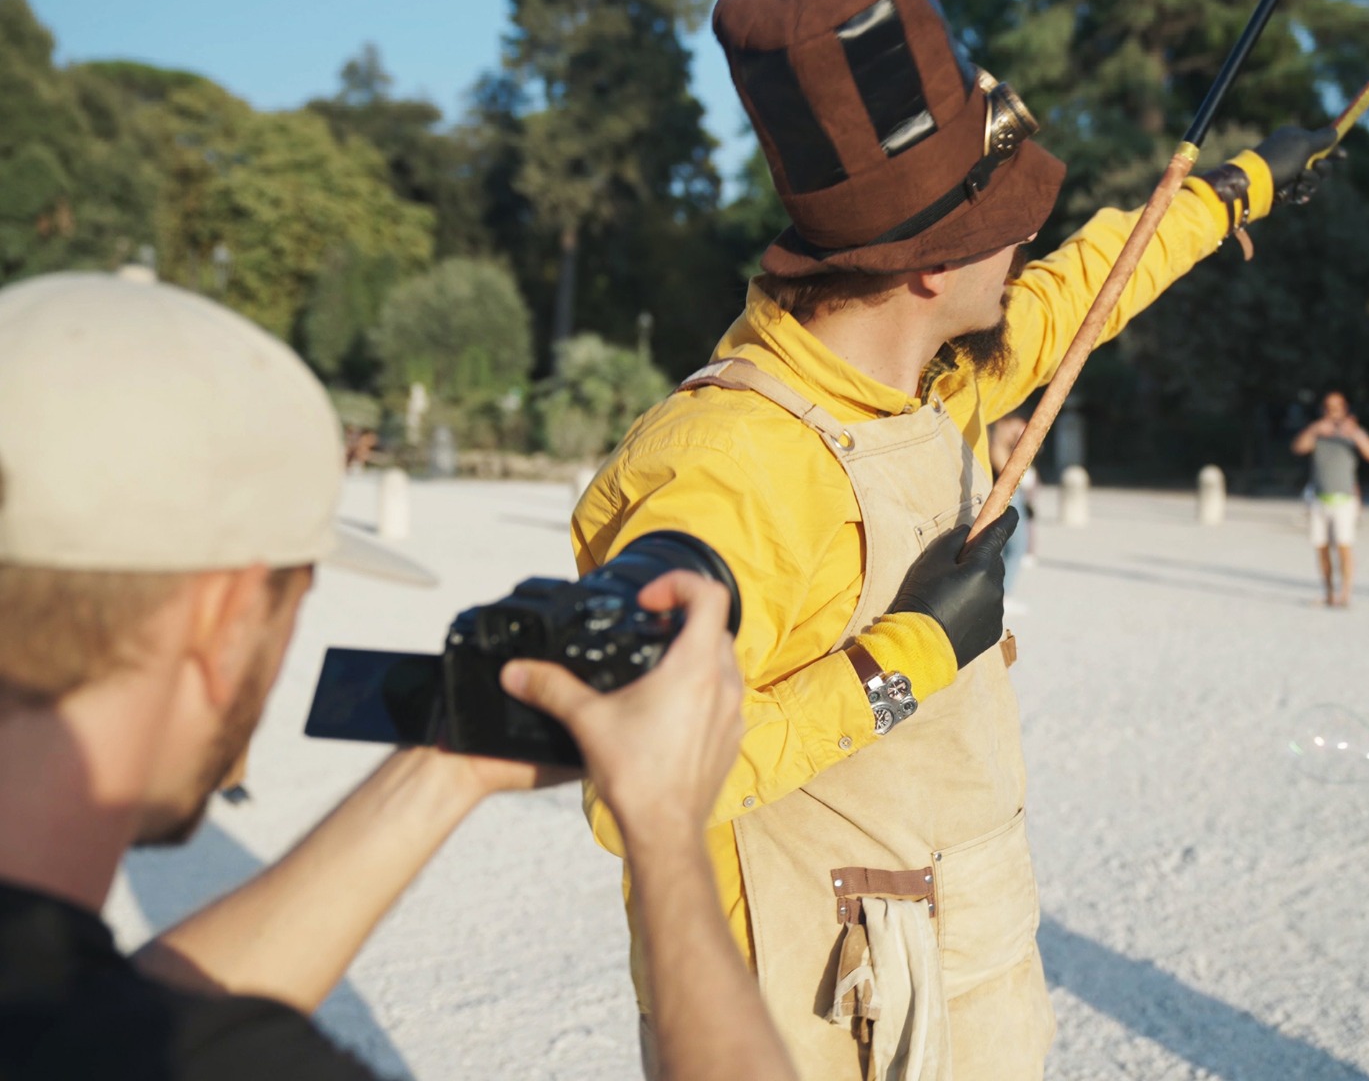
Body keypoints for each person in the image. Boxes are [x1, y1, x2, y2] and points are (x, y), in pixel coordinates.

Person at [568, 0, 1339, 1080]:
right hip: (803, 1022)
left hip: (943, 961)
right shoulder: (730, 465)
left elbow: (1083, 293)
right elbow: (638, 780)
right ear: (930, 266)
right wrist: (905, 659)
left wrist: (1233, 193)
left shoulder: (925, 369)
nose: (1024, 239)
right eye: (1004, 223)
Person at [0, 273, 795, 1081]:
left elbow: (118, 1020)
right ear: (223, 621)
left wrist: (449, 766)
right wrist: (665, 829)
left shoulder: (58, 1013)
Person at [1291, 392, 1369, 608]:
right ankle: (1329, 593)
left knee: (1344, 547)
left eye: (1337, 407)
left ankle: (1345, 594)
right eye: (1328, 407)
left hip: (1345, 499)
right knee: (1321, 547)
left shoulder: (1353, 433)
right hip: (1319, 498)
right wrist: (1314, 429)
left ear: (1345, 409)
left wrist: (1356, 433)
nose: (1332, 412)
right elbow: (1298, 448)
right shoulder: (1318, 432)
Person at [988, 413, 1037, 611]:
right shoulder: (996, 445)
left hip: (1011, 498)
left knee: (1011, 548)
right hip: (1009, 499)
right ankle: (1003, 595)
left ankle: (1001, 594)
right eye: (1015, 427)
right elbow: (1013, 475)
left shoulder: (998, 444)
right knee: (1017, 546)